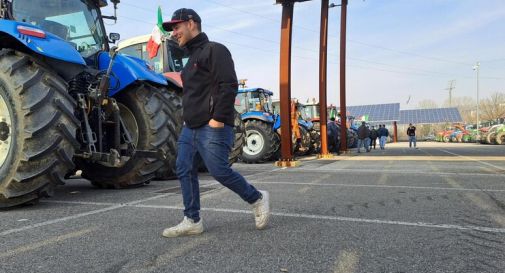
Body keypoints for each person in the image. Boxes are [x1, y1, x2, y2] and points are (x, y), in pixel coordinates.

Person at [161, 8, 270, 238]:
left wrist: (218, 119)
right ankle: (192, 219)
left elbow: (229, 84)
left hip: (212, 125)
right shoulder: (190, 61)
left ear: (192, 23)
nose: (174, 33)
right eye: (171, 30)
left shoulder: (215, 50)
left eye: (176, 27)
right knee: (184, 168)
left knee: (219, 170)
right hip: (190, 128)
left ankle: (257, 198)